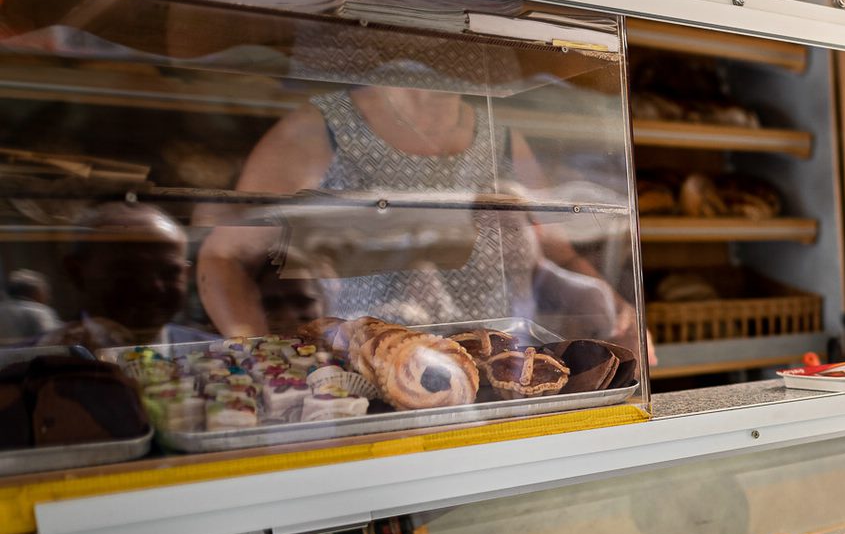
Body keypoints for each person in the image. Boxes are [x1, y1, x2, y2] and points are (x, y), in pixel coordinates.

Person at [195, 84, 639, 346]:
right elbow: (224, 257)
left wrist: (616, 308)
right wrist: (256, 358)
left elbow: (556, 254)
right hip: (366, 396)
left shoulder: (501, 136)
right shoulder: (321, 129)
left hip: (496, 384)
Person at [41, 202, 213, 351]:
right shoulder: (32, 361)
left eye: (169, 273)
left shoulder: (220, 354)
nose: (153, 287)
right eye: (130, 271)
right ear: (76, 272)